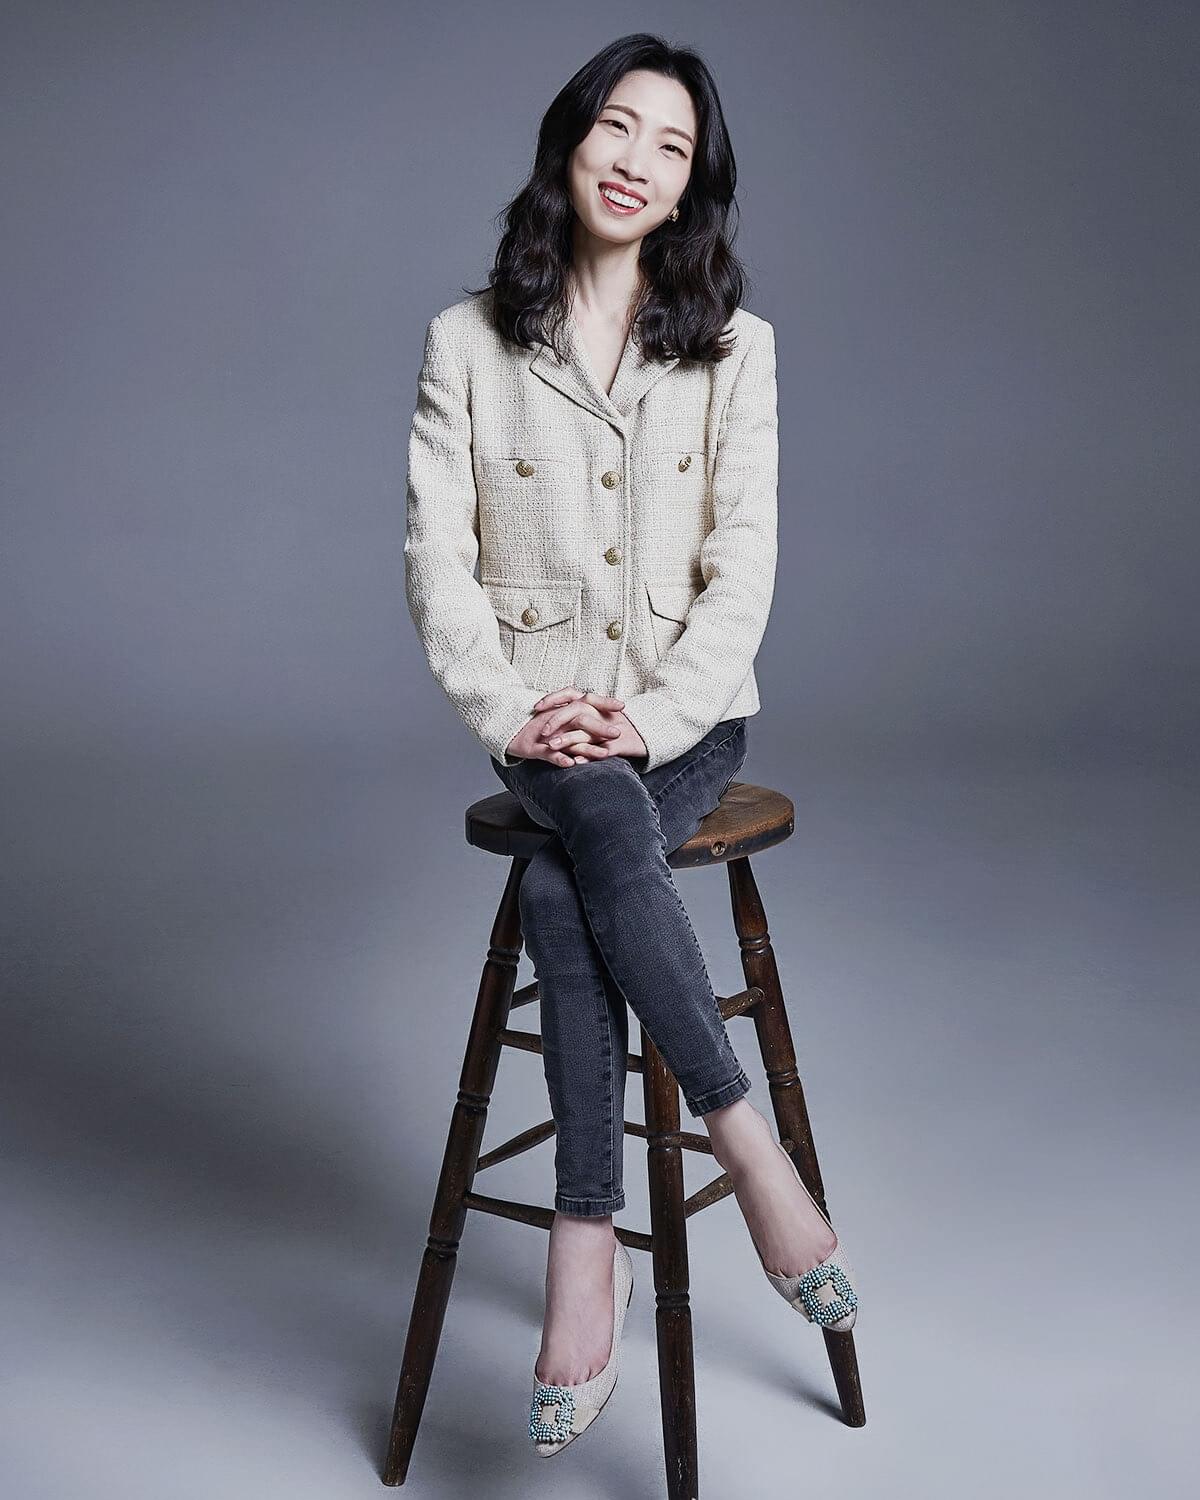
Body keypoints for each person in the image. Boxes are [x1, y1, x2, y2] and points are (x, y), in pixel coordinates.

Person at [403, 33, 858, 1457]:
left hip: (686, 721)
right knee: (586, 810)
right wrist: (512, 713)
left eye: (672, 146)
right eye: (618, 127)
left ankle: (582, 1243)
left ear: (690, 185)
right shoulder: (467, 341)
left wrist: (651, 718)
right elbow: (439, 566)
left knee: (568, 873)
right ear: (570, 139)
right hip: (537, 720)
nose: (637, 161)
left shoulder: (736, 348)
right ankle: (749, 1148)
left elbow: (745, 572)